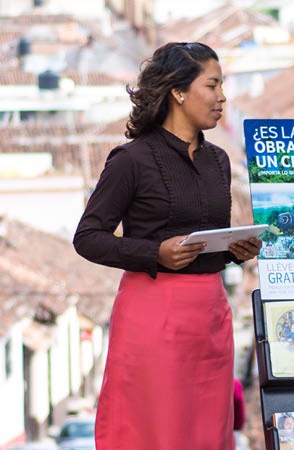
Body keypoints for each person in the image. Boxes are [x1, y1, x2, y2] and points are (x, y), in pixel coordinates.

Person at [72, 42, 261, 450]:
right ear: (178, 92)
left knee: (209, 432)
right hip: (153, 314)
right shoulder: (131, 160)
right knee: (158, 432)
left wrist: (234, 250)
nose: (222, 97)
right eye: (213, 85)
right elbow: (87, 237)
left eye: (222, 86)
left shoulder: (218, 161)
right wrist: (154, 253)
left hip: (211, 317)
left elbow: (209, 237)